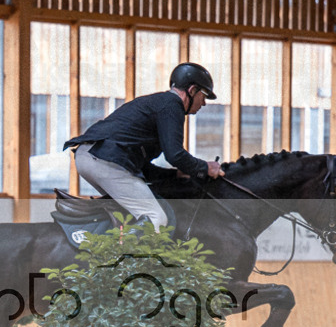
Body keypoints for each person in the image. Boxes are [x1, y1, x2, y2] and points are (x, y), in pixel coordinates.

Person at [63, 62, 226, 230]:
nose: (204, 103)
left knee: (129, 212)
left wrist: (175, 174)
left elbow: (142, 168)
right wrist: (204, 167)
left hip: (91, 156)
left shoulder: (160, 104)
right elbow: (175, 155)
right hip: (104, 161)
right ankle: (121, 256)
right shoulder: (172, 105)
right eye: (204, 95)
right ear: (192, 90)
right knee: (156, 217)